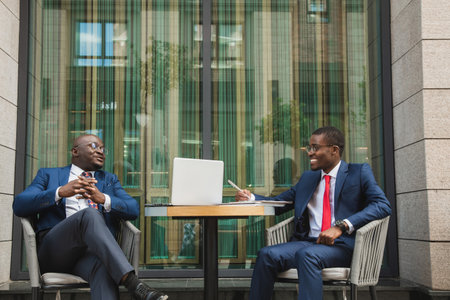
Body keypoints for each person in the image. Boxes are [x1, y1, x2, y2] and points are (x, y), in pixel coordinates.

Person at [235, 126, 391, 300]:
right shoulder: (308, 178)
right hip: (308, 243)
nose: (310, 153)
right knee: (266, 255)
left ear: (334, 150)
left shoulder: (358, 172)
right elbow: (280, 204)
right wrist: (251, 198)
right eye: (309, 148)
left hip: (342, 246)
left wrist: (342, 226)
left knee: (308, 256)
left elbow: (382, 205)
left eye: (315, 148)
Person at [13, 134, 168, 300]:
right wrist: (59, 192)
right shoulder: (49, 175)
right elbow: (20, 204)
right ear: (75, 151)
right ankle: (132, 283)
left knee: (104, 266)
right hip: (55, 252)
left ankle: (132, 283)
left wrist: (104, 199)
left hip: (92, 255)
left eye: (102, 148)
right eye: (94, 146)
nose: (101, 152)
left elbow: (133, 209)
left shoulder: (109, 180)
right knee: (89, 214)